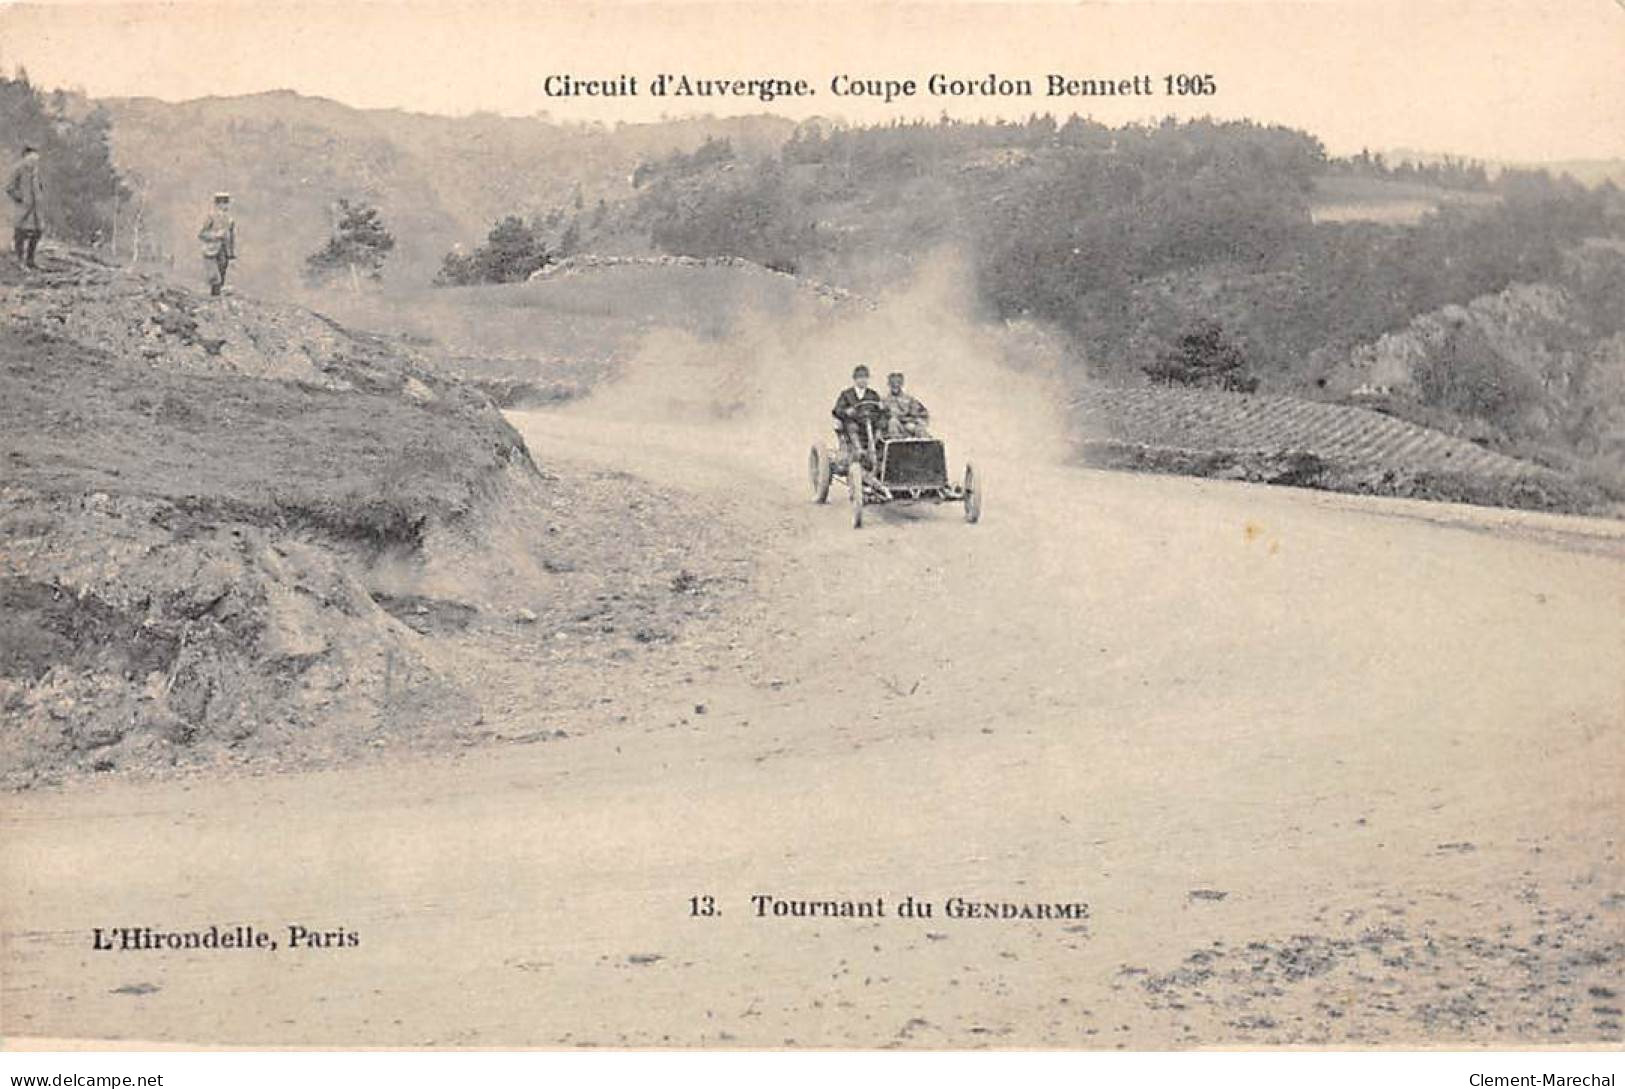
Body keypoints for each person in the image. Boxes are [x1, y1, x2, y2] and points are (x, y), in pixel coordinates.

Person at [831, 364, 883, 468]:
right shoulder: (846, 394)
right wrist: (846, 411)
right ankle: (859, 450)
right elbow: (837, 410)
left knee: (880, 429)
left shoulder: (873, 394)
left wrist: (879, 418)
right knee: (852, 426)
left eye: (865, 378)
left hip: (869, 423)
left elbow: (880, 412)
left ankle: (875, 453)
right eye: (860, 378)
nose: (862, 380)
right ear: (855, 379)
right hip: (852, 423)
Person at [6, 146, 45, 271]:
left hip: (36, 209)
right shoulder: (18, 169)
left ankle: (30, 260)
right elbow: (9, 187)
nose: (34, 160)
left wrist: (39, 196)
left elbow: (40, 185)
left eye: (36, 158)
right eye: (31, 157)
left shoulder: (36, 170)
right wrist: (21, 198)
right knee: (20, 233)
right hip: (23, 209)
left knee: (37, 232)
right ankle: (20, 261)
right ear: (25, 157)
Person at [198, 192, 237, 296]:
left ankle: (216, 300)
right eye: (222, 203)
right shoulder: (210, 217)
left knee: (222, 277)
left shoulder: (230, 220)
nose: (225, 206)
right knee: (215, 278)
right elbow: (201, 234)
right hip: (211, 251)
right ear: (217, 204)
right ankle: (213, 297)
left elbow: (231, 238)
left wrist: (231, 255)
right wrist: (216, 235)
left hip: (224, 252)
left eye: (226, 203)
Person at [882, 371, 931, 438]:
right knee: (893, 422)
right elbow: (881, 418)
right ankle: (896, 445)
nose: (895, 385)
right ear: (889, 384)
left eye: (898, 383)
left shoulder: (909, 399)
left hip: (907, 425)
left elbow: (921, 414)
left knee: (919, 429)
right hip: (891, 429)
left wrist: (916, 421)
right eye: (892, 383)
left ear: (902, 384)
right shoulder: (884, 401)